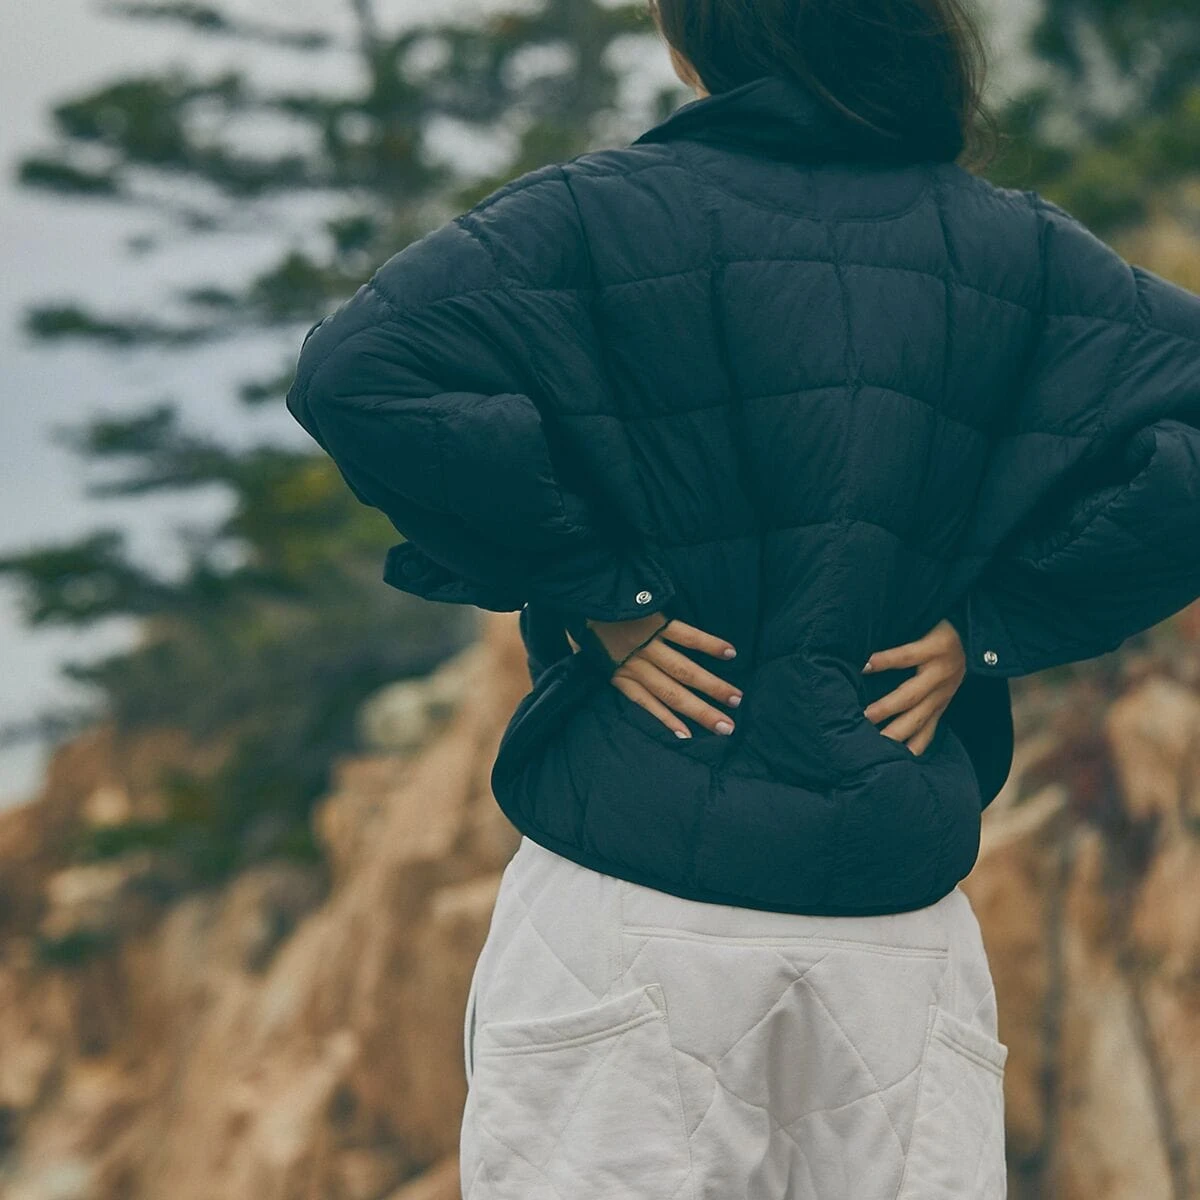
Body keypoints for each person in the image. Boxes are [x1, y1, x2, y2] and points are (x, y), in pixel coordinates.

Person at [285, 1, 1200, 1196]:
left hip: (630, 887)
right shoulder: (1019, 251)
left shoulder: (593, 215)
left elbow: (360, 372)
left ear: (693, 37)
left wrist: (603, 591)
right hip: (893, 923)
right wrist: (998, 624)